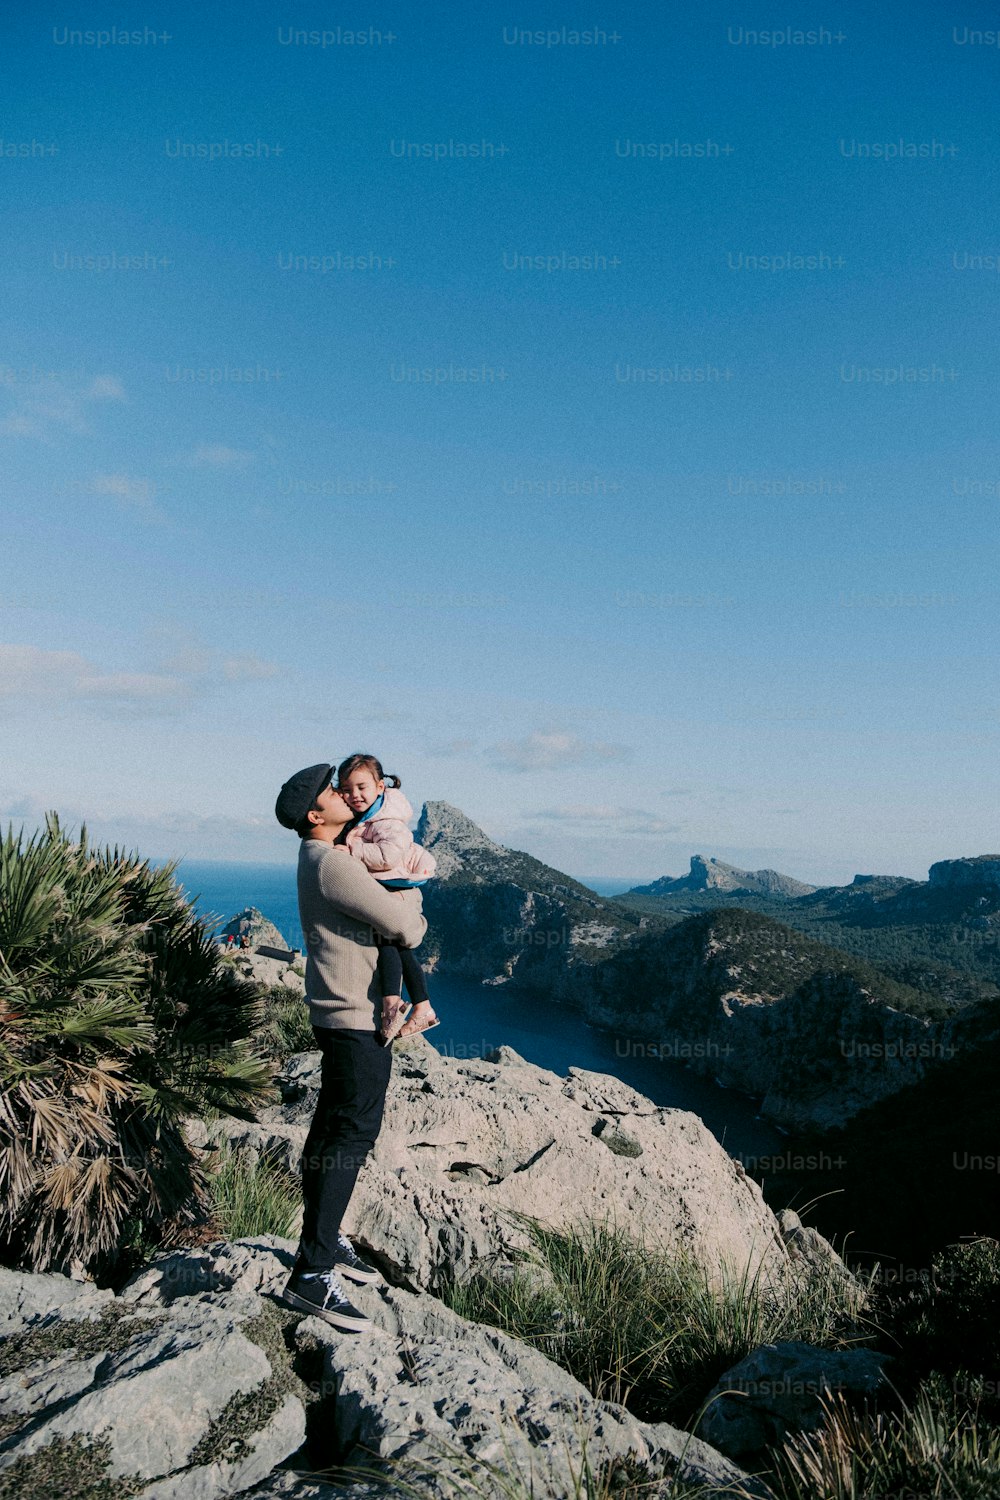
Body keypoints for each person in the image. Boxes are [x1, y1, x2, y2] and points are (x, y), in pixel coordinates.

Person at [274, 761, 427, 1333]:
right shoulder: (331, 863)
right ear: (315, 816)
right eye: (331, 792)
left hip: (340, 1015)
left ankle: (324, 1238)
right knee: (351, 1133)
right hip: (355, 1021)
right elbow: (406, 927)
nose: (343, 792)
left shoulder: (323, 858)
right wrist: (412, 899)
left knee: (331, 1128)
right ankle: (311, 1274)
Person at [336, 752, 439, 1044]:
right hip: (393, 890)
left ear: (380, 787)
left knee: (389, 945)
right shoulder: (369, 818)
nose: (354, 794)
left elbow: (387, 857)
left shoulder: (387, 822)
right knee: (399, 949)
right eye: (347, 789)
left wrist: (352, 851)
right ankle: (422, 1008)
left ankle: (392, 1006)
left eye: (361, 787)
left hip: (400, 892)